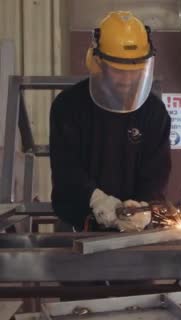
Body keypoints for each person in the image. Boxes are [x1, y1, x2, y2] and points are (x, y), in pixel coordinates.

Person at [50, 11, 171, 232]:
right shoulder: (68, 107)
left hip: (136, 228)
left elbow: (157, 171)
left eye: (134, 71)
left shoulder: (154, 113)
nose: (126, 80)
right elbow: (66, 167)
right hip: (78, 224)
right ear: (97, 63)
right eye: (118, 71)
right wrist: (96, 200)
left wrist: (142, 206)